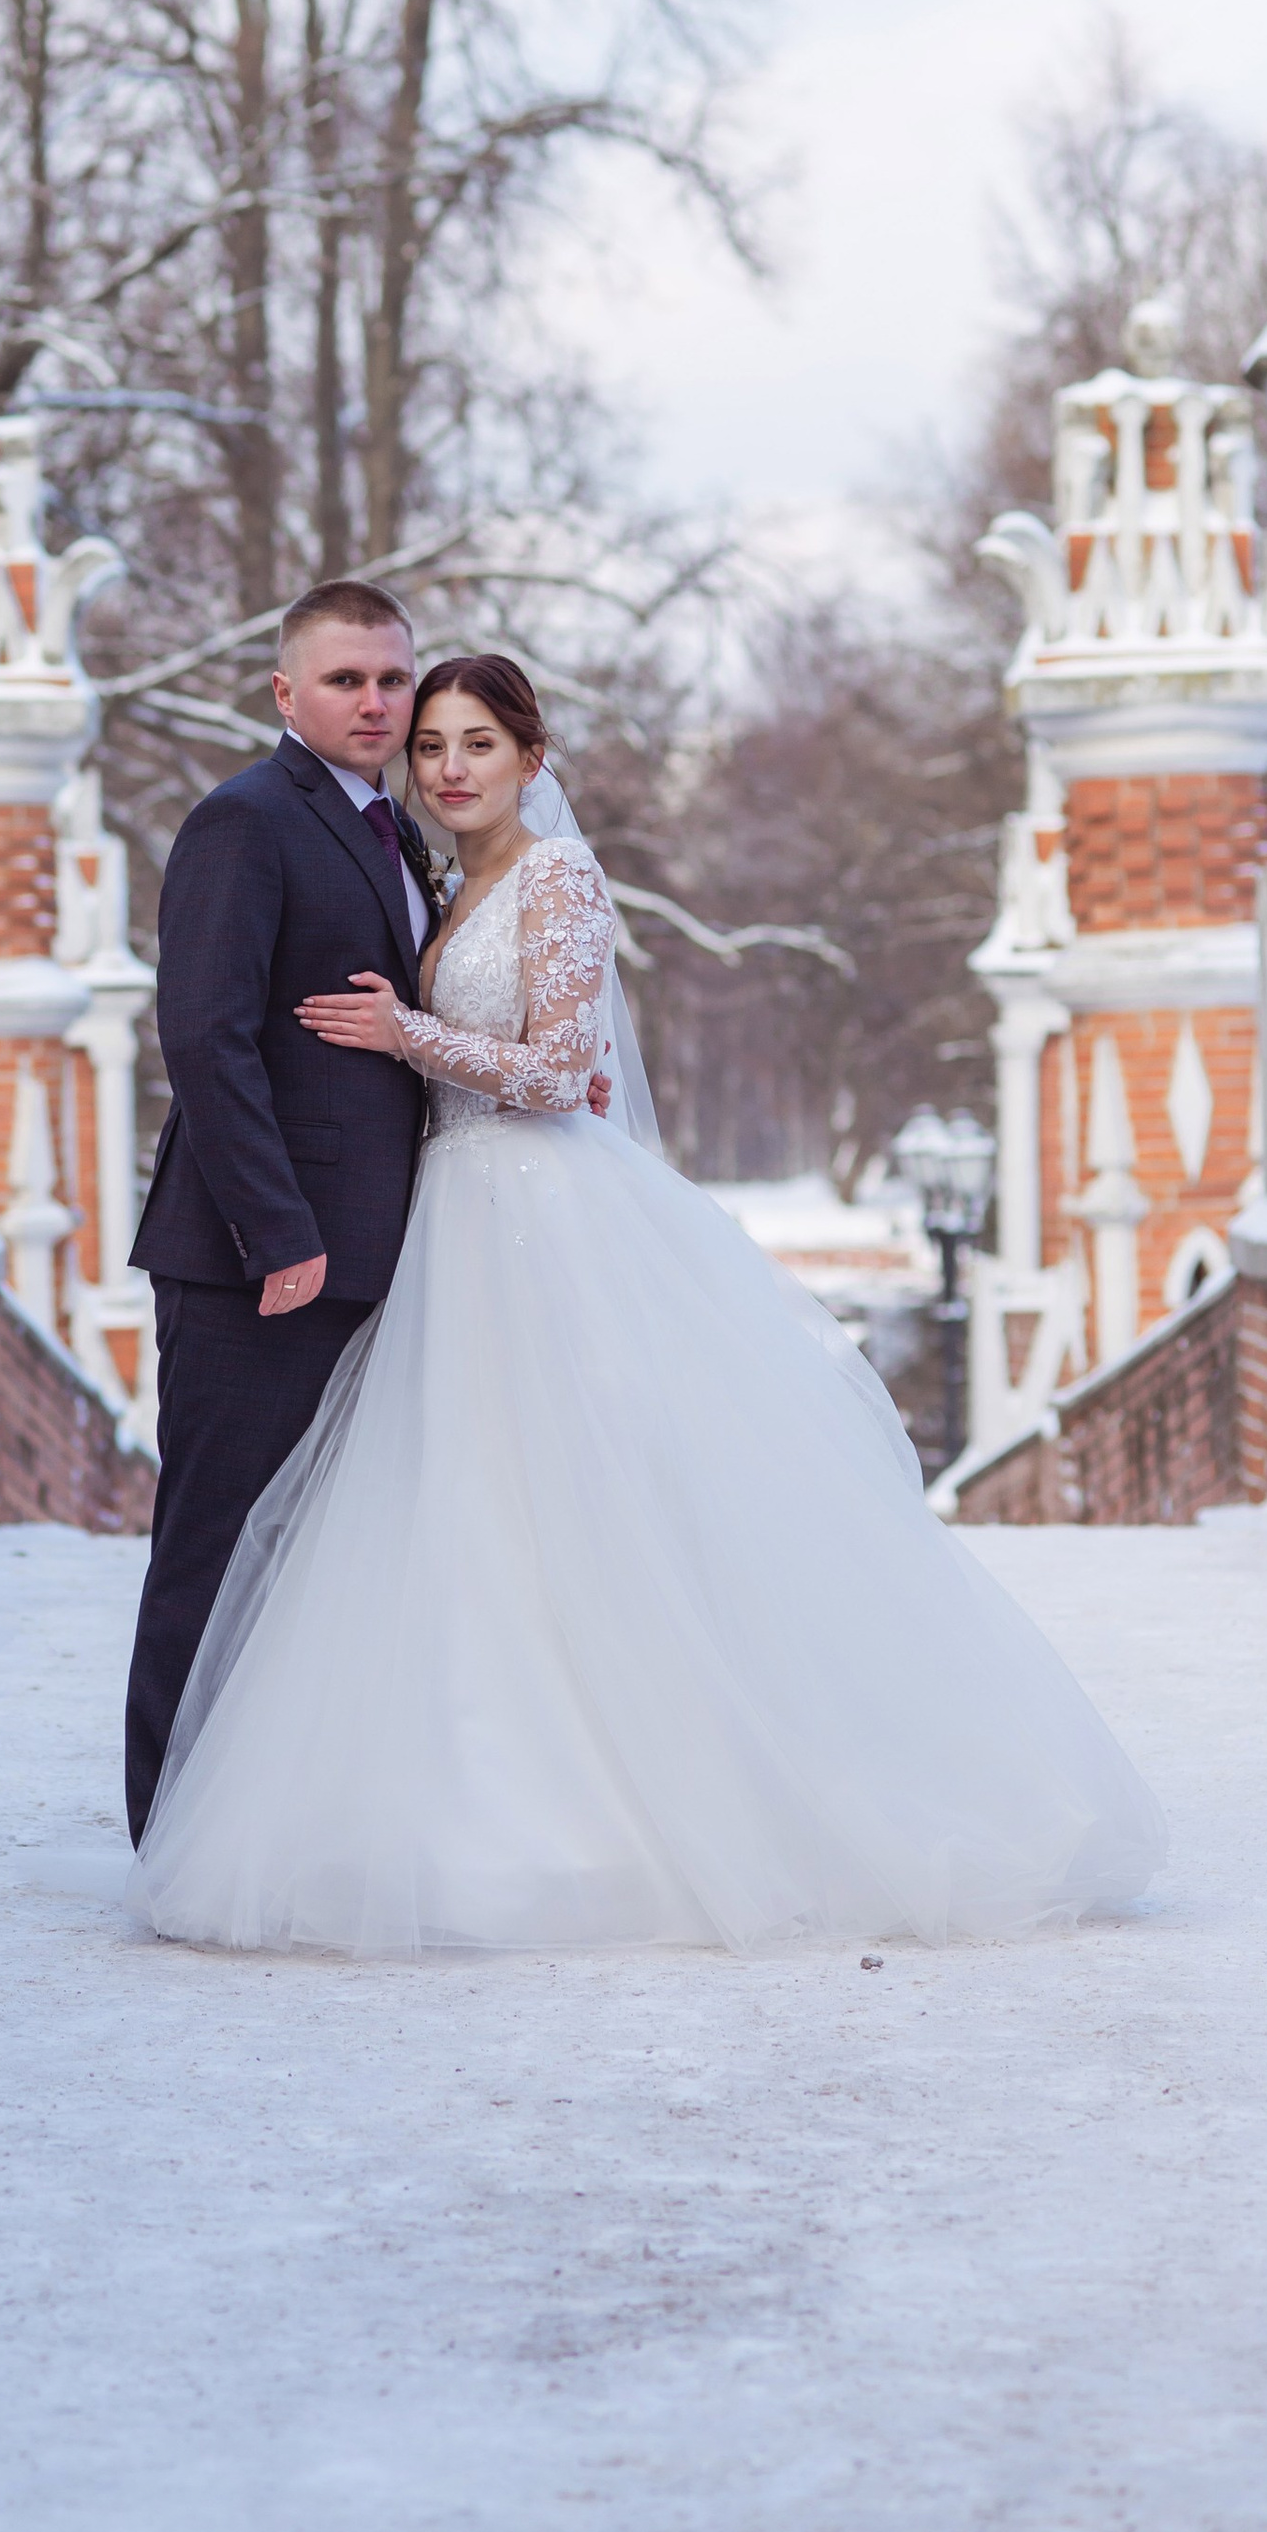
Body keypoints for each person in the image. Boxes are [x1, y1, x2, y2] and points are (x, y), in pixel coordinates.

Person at [128, 651, 1167, 1956]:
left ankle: (648, 1801)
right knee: (465, 1510)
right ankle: (472, 1785)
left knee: (578, 1501)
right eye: (431, 746)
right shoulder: (450, 878)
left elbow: (563, 1070)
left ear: (532, 760)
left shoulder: (557, 874)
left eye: (479, 746)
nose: (449, 766)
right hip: (456, 1218)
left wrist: (409, 1035)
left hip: (533, 1219)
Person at [122, 580, 445, 1844]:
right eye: (344, 679)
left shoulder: (389, 831)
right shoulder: (245, 822)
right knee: (214, 1546)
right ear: (284, 693)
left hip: (377, 1255)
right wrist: (284, 1236)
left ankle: (276, 1828)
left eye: (389, 679)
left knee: (316, 1557)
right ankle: (173, 1838)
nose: (373, 702)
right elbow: (205, 1039)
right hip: (259, 1265)